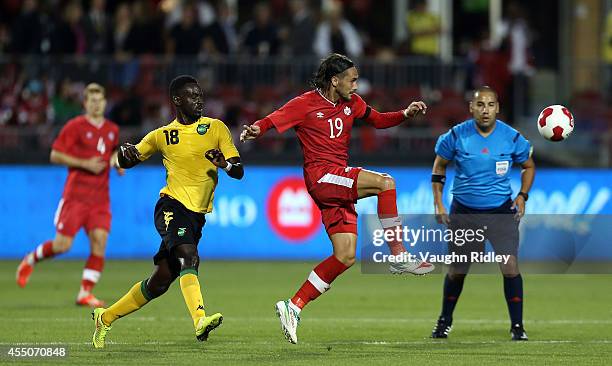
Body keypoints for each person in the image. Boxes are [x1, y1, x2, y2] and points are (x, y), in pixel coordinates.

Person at [241, 53, 434, 344]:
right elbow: (272, 119)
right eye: (352, 80)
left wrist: (405, 114)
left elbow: (378, 120)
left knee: (345, 255)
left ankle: (293, 306)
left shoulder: (352, 104)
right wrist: (257, 129)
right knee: (386, 183)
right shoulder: (304, 104)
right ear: (335, 80)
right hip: (322, 177)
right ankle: (398, 254)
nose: (356, 86)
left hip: (337, 180)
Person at [91, 75, 243, 348]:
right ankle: (200, 320)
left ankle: (105, 317)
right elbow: (130, 157)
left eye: (200, 95)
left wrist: (225, 164)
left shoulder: (216, 128)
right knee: (189, 257)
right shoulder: (162, 135)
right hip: (172, 206)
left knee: (160, 282)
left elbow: (238, 170)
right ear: (176, 100)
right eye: (192, 95)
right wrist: (123, 154)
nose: (199, 99)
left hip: (196, 216)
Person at [430, 86, 535, 341]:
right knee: (457, 270)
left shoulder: (512, 138)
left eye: (490, 105)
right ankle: (445, 321)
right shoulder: (456, 136)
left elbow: (528, 165)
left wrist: (522, 195)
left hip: (501, 211)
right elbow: (439, 167)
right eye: (480, 105)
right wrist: (438, 204)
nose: (485, 110)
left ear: (497, 107)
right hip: (465, 212)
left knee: (510, 267)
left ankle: (518, 327)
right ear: (471, 108)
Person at [16, 83, 122, 307]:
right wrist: (84, 163)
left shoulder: (112, 129)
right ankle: (30, 259)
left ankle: (85, 293)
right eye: (91, 100)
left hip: (100, 198)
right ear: (85, 103)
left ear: (104, 102)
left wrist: (118, 163)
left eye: (99, 100)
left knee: (100, 242)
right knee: (63, 245)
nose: (96, 104)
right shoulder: (75, 126)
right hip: (76, 196)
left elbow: (111, 152)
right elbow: (55, 155)